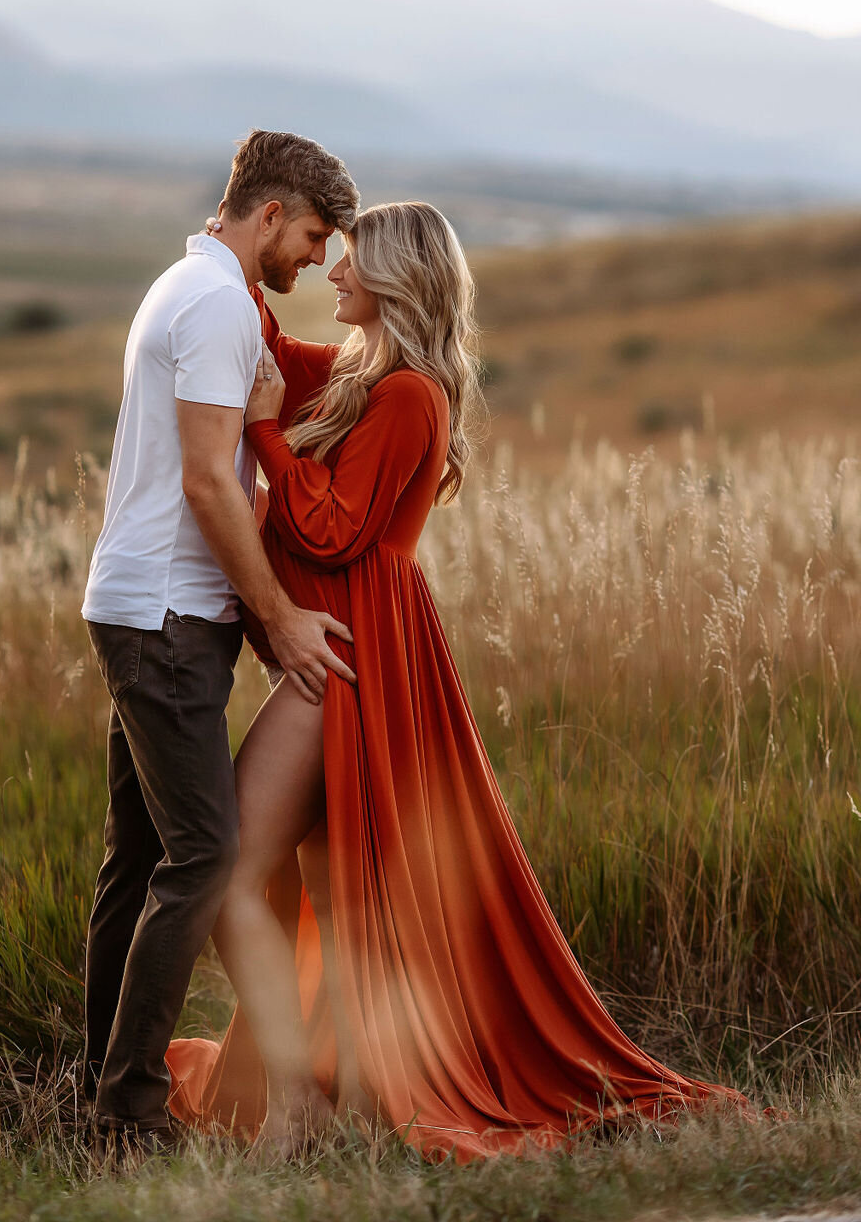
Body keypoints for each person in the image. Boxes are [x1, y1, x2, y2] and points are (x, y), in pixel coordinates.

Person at [165, 200, 749, 1162]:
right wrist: (227, 244)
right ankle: (331, 1091)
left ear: (397, 279)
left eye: (348, 263)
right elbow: (266, 334)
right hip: (346, 654)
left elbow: (330, 530)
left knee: (232, 871)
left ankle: (301, 1104)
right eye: (326, 254)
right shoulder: (359, 377)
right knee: (333, 891)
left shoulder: (410, 398)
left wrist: (266, 437)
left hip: (358, 663)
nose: (331, 275)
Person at [79, 129, 360, 1154]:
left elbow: (208, 472)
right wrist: (278, 619)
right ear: (272, 212)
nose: (319, 264)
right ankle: (130, 1117)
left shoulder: (193, 290)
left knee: (141, 861)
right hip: (164, 619)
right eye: (316, 237)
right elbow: (207, 479)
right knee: (204, 858)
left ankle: (100, 1096)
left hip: (150, 610)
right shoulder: (211, 306)